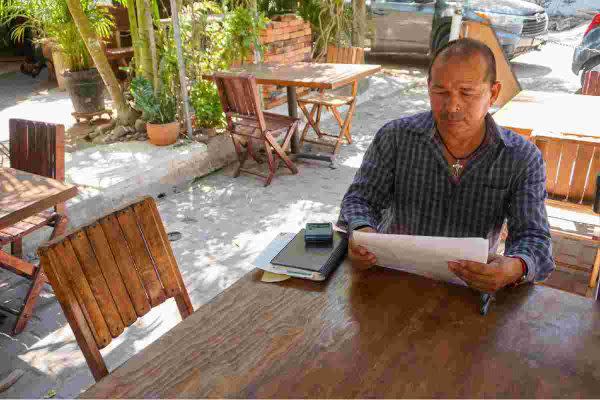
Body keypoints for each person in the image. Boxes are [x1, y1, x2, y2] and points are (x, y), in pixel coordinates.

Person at [338, 38, 554, 292]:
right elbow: (360, 199)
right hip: (390, 277)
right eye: (440, 92)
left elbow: (534, 238)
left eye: (467, 92)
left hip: (468, 290)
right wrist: (363, 233)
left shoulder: (520, 157)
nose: (452, 106)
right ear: (428, 87)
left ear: (493, 93)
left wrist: (514, 267)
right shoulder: (395, 137)